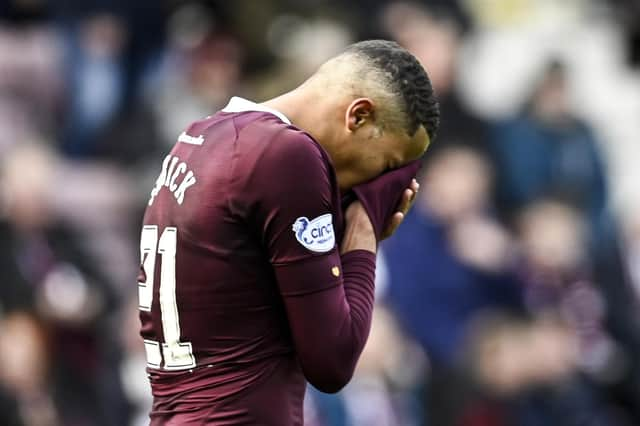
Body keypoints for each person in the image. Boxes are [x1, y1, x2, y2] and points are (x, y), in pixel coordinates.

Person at [137, 39, 439, 425]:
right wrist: (363, 234)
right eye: (388, 164)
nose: (378, 181)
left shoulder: (201, 136)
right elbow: (334, 360)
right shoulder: (289, 156)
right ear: (358, 116)